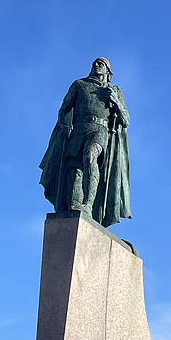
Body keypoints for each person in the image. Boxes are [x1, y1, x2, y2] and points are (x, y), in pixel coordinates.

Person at [39, 58, 131, 227]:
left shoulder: (113, 90)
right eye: (95, 63)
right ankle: (75, 209)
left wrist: (116, 102)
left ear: (108, 73)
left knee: (90, 155)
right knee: (75, 170)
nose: (96, 65)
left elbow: (125, 120)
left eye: (101, 64)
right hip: (78, 129)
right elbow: (64, 108)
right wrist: (64, 122)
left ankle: (88, 204)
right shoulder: (80, 84)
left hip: (100, 129)